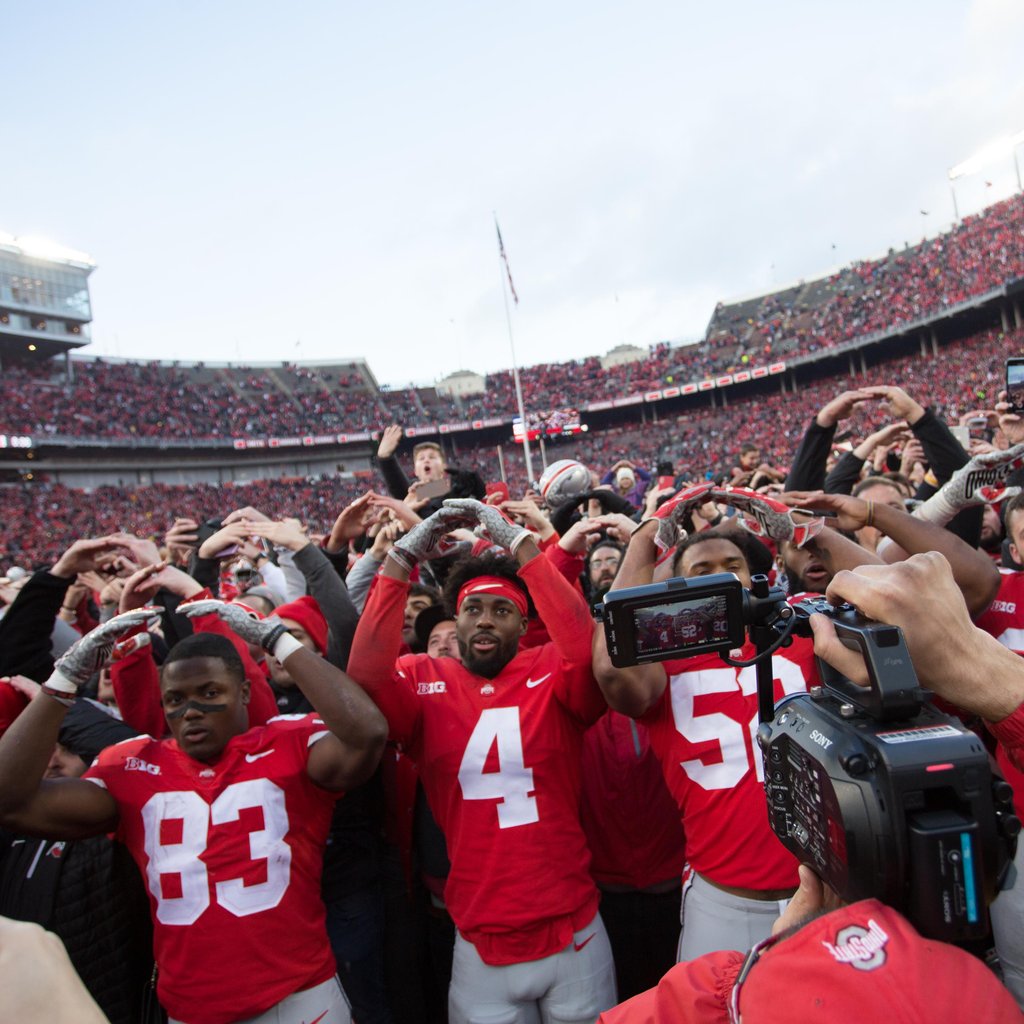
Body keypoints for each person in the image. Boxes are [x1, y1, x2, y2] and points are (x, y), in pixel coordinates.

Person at [599, 552, 1024, 1024]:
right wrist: (647, 539)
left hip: (840, 888)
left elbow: (899, 607)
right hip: (724, 894)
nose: (720, 576)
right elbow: (614, 668)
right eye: (700, 568)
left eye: (732, 563)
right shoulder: (666, 663)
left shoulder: (800, 631)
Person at [0, 602, 388, 1024]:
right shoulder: (133, 766)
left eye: (209, 693)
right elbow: (12, 802)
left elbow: (366, 733)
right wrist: (63, 682)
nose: (192, 711)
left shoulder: (288, 743)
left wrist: (277, 639)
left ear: (242, 692)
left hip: (297, 996)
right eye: (175, 700)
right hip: (190, 1005)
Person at [347, 498, 617, 1024]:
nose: (485, 620)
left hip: (573, 924)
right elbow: (367, 677)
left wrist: (522, 547)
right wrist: (402, 556)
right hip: (478, 932)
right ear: (456, 620)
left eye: (502, 610)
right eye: (473, 609)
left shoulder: (551, 669)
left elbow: (584, 652)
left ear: (523, 626)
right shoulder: (425, 679)